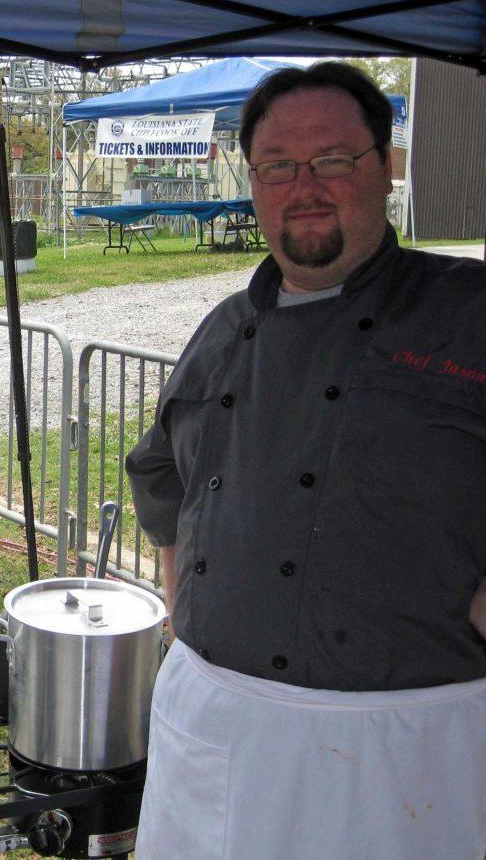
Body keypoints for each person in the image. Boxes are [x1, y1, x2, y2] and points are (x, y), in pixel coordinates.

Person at [126, 61, 486, 859]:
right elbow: (160, 475)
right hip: (216, 725)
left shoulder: (467, 312)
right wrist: (188, 608)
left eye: (333, 160)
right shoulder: (223, 329)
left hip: (408, 744)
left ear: (386, 168)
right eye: (278, 166)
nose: (305, 187)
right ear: (252, 180)